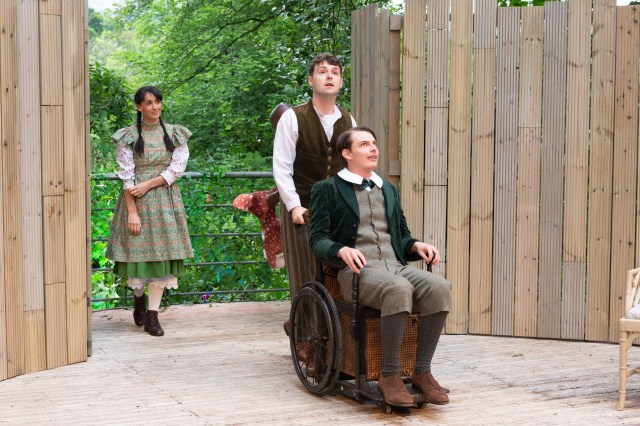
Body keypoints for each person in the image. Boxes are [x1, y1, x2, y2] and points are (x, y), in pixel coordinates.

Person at [308, 126, 452, 407]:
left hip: (394, 265)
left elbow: (401, 233)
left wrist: (416, 246)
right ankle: (389, 376)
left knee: (440, 287)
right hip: (359, 272)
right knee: (398, 289)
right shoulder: (327, 189)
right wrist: (341, 249)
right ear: (347, 154)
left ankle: (422, 372)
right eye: (364, 144)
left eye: (374, 143)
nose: (373, 148)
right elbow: (317, 239)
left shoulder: (388, 189)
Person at [272, 53, 356, 335]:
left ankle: (316, 333)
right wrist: (294, 207)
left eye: (334, 72)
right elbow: (282, 168)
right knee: (305, 274)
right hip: (302, 207)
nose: (329, 76)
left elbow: (352, 168)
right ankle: (306, 339)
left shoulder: (349, 121)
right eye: (322, 71)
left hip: (336, 211)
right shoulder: (292, 118)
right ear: (311, 80)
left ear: (341, 82)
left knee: (333, 272)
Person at [106, 85, 194, 337]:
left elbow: (176, 170)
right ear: (138, 107)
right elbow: (126, 176)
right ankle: (138, 299)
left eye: (157, 102)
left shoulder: (176, 134)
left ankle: (153, 316)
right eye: (148, 103)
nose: (154, 107)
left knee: (160, 259)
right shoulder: (129, 136)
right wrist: (132, 212)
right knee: (138, 257)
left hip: (165, 200)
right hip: (136, 202)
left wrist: (148, 184)